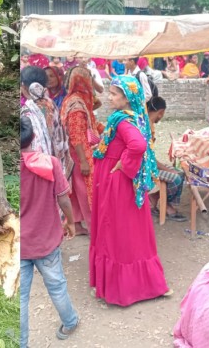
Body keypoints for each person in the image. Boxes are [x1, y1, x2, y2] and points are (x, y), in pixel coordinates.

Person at [89, 75, 169, 307]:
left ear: (127, 98)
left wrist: (122, 163)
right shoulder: (129, 117)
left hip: (119, 184)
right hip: (116, 181)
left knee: (119, 231)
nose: (110, 97)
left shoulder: (124, 121)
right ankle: (137, 283)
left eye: (114, 94)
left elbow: (138, 145)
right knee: (126, 230)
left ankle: (125, 287)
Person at [19, 116, 79, 347]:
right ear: (33, 137)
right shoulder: (50, 163)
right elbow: (63, 200)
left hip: (19, 246)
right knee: (56, 286)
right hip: (47, 241)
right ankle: (70, 322)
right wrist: (71, 222)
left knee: (21, 298)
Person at [60, 66, 102, 234]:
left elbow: (90, 122)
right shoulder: (77, 105)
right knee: (87, 191)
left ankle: (76, 224)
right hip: (81, 154)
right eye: (89, 78)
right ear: (83, 81)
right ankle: (94, 228)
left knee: (77, 190)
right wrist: (84, 161)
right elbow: (76, 135)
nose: (92, 82)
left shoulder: (76, 99)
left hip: (76, 152)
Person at [20, 66, 74, 179]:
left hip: (40, 169)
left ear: (24, 86)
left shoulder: (27, 112)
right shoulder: (50, 103)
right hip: (57, 164)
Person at [147, 97, 188, 222]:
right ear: (161, 112)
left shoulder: (149, 125)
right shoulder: (146, 127)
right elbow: (149, 159)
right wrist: (168, 170)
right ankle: (167, 206)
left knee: (180, 173)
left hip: (149, 164)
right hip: (144, 168)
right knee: (176, 178)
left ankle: (157, 199)